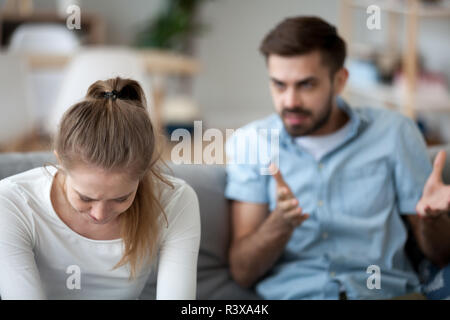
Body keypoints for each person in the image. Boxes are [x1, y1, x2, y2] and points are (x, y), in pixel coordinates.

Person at [225, 16, 450, 299]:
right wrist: (278, 225)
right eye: (279, 85)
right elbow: (242, 271)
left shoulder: (394, 133)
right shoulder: (252, 143)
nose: (290, 101)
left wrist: (432, 220)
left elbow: (441, 255)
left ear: (340, 80)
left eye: (306, 85)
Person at [0, 77, 201, 300]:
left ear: (143, 174)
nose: (100, 214)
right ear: (61, 163)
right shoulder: (12, 202)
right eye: (85, 197)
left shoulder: (176, 201)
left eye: (121, 198)